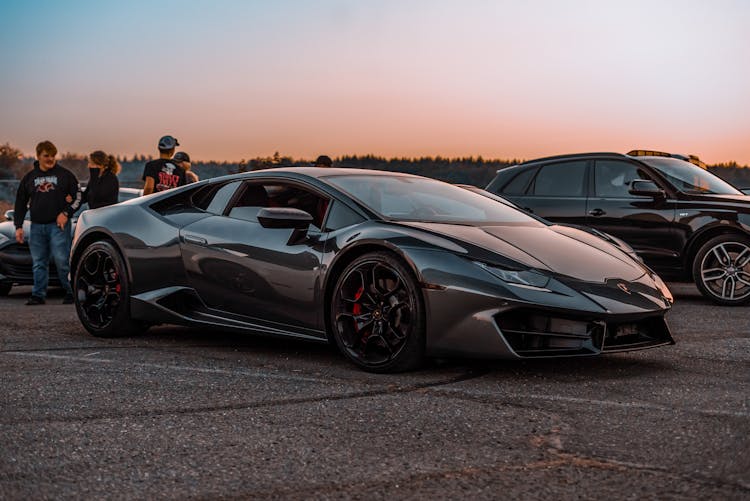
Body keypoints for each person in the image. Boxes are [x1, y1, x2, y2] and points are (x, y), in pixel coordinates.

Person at [14, 140, 81, 305]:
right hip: (36, 227)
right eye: (46, 156)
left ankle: (72, 292)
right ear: (38, 156)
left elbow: (78, 197)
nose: (50, 159)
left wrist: (66, 213)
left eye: (52, 156)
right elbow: (20, 203)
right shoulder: (29, 178)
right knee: (38, 263)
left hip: (58, 226)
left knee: (62, 261)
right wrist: (19, 226)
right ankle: (38, 295)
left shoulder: (65, 175)